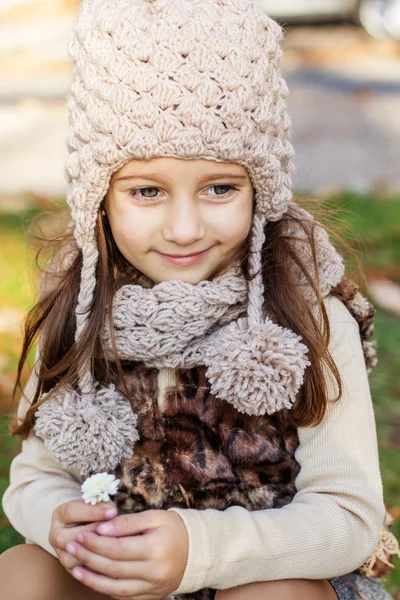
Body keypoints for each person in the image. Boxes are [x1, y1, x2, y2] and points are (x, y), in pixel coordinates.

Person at [1, 0, 399, 599]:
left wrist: (200, 550)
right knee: (22, 574)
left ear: (260, 188)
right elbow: (34, 478)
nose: (184, 228)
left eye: (220, 187)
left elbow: (347, 518)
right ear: (99, 198)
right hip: (130, 583)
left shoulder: (306, 314)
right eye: (146, 190)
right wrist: (59, 523)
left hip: (272, 576)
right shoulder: (78, 313)